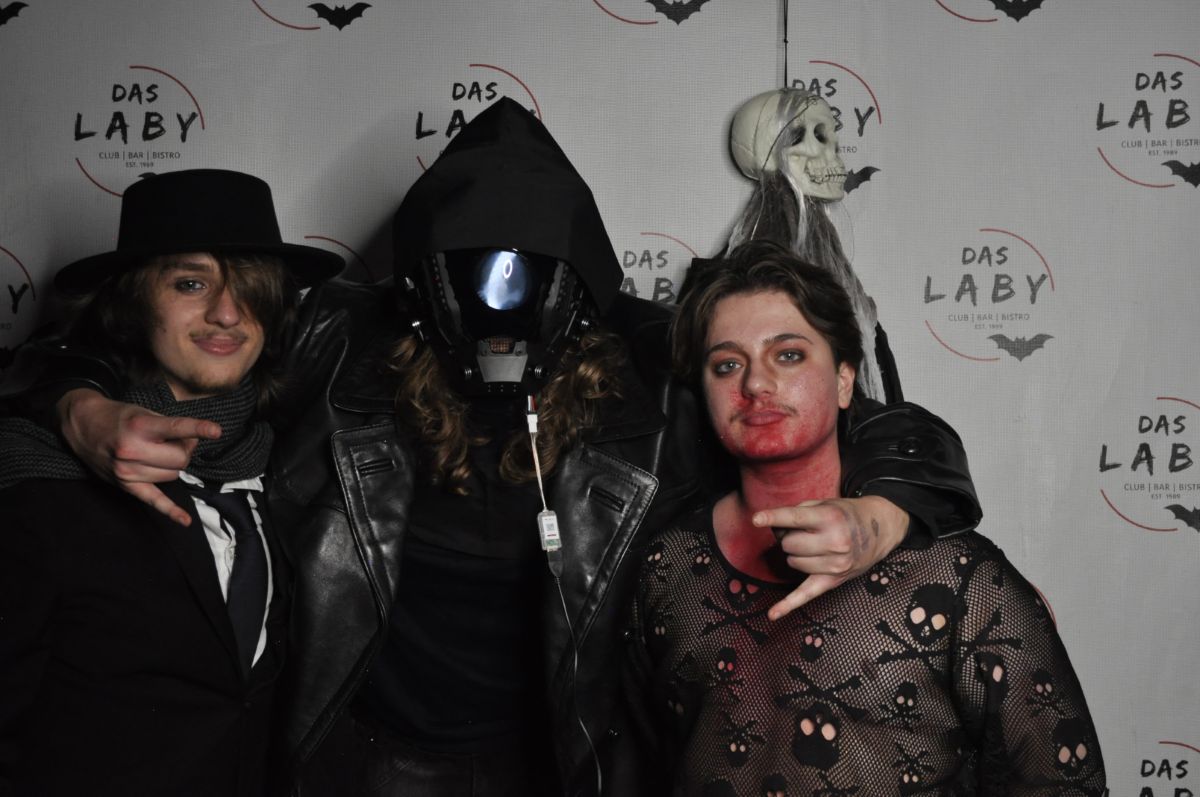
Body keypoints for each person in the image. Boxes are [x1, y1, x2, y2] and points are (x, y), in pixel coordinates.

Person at [33, 100, 980, 795]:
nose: (500, 295)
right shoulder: (341, 342)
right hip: (364, 756)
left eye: (526, 270)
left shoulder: (654, 369)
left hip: (560, 762)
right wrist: (82, 408)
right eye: (474, 269)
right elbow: (105, 348)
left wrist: (876, 510)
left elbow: (877, 424)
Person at [625, 240, 1105, 795]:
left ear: (845, 380)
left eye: (788, 355)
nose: (755, 384)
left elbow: (1062, 783)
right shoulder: (666, 564)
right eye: (727, 364)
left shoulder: (955, 574)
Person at [0, 169, 342, 796]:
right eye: (191, 284)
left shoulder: (297, 464)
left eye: (252, 290)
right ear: (132, 304)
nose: (227, 314)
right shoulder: (39, 477)